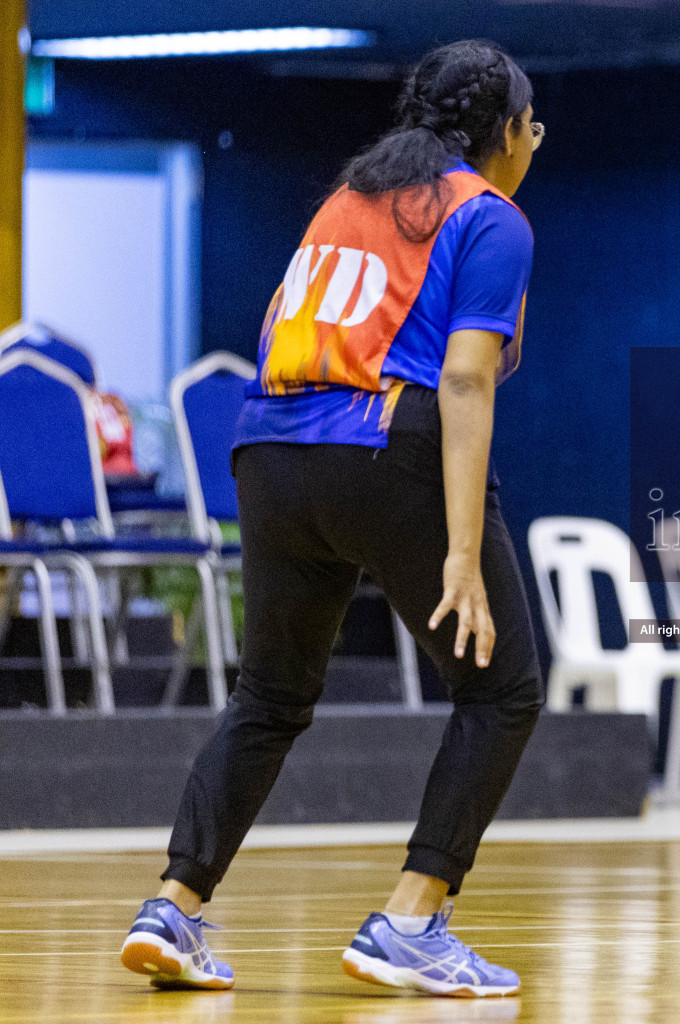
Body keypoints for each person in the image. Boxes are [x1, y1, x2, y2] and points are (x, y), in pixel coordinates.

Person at [119, 40, 545, 998]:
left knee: (267, 698)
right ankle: (412, 919)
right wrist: (464, 555)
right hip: (384, 443)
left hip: (266, 449)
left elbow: (282, 322)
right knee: (501, 689)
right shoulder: (491, 216)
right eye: (533, 126)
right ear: (505, 134)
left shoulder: (343, 202)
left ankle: (175, 907)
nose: (535, 143)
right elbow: (467, 377)